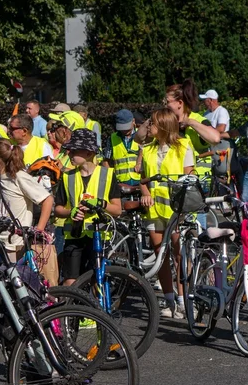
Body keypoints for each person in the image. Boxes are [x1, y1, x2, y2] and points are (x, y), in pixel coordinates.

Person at [136, 108, 194, 319]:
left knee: (180, 255)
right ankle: (169, 300)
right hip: (154, 209)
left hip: (175, 209)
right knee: (161, 254)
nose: (148, 127)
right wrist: (145, 193)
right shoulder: (148, 149)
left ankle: (183, 299)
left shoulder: (184, 146)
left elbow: (189, 179)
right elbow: (143, 179)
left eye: (152, 123)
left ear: (163, 126)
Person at [51, 129, 122, 283]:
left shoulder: (108, 175)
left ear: (89, 153)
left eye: (74, 151)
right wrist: (71, 212)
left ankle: (95, 307)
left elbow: (117, 209)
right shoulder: (67, 177)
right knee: (71, 280)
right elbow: (58, 208)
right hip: (74, 235)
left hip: (99, 236)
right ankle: (72, 306)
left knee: (97, 279)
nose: (69, 154)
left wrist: (101, 204)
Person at [0, 139, 53, 262]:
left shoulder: (19, 177)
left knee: (15, 278)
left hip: (15, 244)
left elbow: (47, 199)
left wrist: (38, 229)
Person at [165, 81, 221, 179]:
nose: (165, 105)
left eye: (167, 102)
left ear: (179, 103)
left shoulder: (198, 120)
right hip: (174, 179)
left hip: (199, 180)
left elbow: (215, 138)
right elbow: (139, 139)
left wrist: (190, 122)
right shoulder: (167, 122)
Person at [108, 109, 141, 185]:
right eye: (122, 127)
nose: (125, 130)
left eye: (127, 126)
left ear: (133, 121)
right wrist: (111, 178)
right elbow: (107, 160)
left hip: (141, 182)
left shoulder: (141, 135)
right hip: (121, 183)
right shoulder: (112, 138)